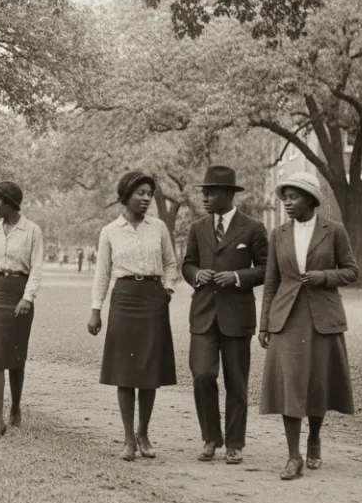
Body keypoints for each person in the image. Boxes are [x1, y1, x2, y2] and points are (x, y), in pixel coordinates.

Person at [259, 171, 357, 480]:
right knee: (291, 384)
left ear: (310, 200)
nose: (287, 202)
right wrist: (264, 323)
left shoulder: (334, 231)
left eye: (293, 197)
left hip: (322, 317)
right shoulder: (278, 234)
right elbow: (271, 281)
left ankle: (314, 438)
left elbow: (352, 271)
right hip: (287, 317)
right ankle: (293, 456)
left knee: (317, 383)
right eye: (285, 197)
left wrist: (324, 277)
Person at [88, 171, 178, 461]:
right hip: (124, 300)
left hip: (153, 299)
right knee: (125, 373)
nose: (146, 198)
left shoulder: (159, 227)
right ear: (125, 195)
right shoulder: (110, 231)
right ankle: (128, 438)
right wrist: (96, 310)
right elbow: (102, 274)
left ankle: (144, 433)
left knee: (150, 372)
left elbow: (170, 263)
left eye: (149, 193)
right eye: (140, 193)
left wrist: (167, 289)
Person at [181, 165, 268, 464]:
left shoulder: (253, 228)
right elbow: (187, 264)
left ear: (230, 195)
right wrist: (196, 274)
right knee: (202, 374)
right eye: (204, 192)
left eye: (211, 192)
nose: (205, 197)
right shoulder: (197, 228)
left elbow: (266, 269)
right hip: (203, 314)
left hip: (237, 316)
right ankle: (210, 438)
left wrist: (237, 276)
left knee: (237, 382)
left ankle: (234, 443)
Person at [0, 181, 44, 440]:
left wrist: (27, 297)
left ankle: (15, 407)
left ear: (9, 202)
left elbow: (36, 268)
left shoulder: (32, 231)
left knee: (15, 357)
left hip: (19, 292)